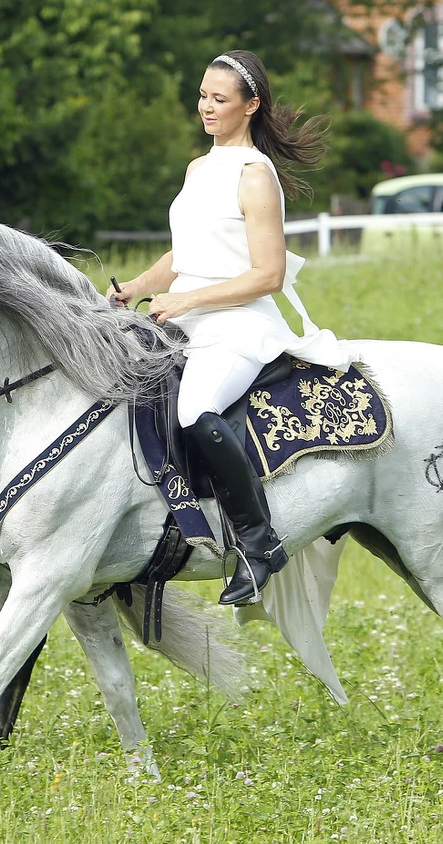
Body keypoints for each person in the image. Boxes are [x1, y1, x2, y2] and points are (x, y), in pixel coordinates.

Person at [107, 50, 354, 605]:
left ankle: (259, 542)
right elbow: (185, 254)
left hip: (239, 326)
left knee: (195, 411)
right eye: (202, 96)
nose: (206, 108)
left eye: (219, 100)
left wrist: (187, 298)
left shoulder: (254, 176)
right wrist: (136, 289)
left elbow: (266, 274)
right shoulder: (199, 168)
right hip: (187, 319)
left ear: (251, 106)